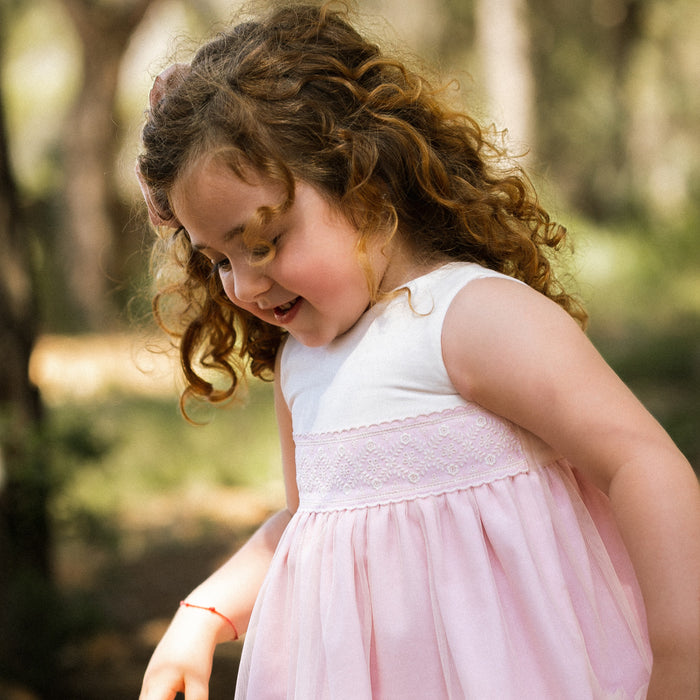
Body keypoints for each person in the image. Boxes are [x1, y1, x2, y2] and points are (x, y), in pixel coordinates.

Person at [135, 3, 700, 698]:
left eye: (264, 242)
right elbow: (308, 522)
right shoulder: (300, 368)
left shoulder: (470, 317)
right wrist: (206, 613)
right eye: (219, 258)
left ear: (363, 184)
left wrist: (683, 656)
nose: (244, 285)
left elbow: (638, 461)